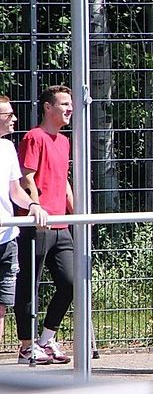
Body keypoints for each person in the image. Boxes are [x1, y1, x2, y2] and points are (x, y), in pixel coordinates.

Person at [13, 86, 77, 365]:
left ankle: (46, 338)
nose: (69, 109)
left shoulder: (64, 141)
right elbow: (27, 176)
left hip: (61, 225)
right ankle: (27, 345)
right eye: (63, 104)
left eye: (70, 104)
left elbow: (62, 180)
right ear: (48, 108)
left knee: (71, 283)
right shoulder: (34, 137)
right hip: (37, 225)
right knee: (29, 286)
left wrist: (77, 213)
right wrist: (36, 206)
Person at [0, 96, 49, 359]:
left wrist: (32, 205)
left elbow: (15, 190)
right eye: (8, 115)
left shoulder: (7, 148)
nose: (14, 119)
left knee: (1, 306)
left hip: (7, 238)